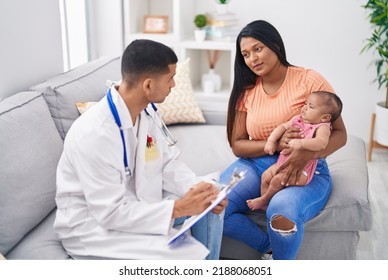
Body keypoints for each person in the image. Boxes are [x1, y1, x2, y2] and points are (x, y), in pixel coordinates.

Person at [53, 39, 227, 260]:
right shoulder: (95, 134)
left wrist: (200, 189)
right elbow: (110, 213)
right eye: (170, 78)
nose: (174, 84)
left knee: (208, 198)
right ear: (148, 85)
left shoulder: (146, 111)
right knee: (186, 256)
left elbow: (166, 164)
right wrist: (179, 208)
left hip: (136, 203)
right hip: (93, 226)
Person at [219, 20, 347, 260]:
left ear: (275, 45)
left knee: (281, 213)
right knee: (212, 207)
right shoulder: (246, 91)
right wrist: (275, 144)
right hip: (254, 164)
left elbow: (340, 134)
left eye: (258, 49)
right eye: (245, 54)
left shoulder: (309, 80)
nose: (252, 58)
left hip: (308, 168)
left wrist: (308, 153)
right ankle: (270, 247)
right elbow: (238, 144)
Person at [247, 91, 343, 211]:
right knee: (266, 176)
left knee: (277, 180)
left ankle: (264, 199)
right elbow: (282, 127)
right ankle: (266, 205)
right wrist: (271, 141)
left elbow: (321, 143)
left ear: (325, 117)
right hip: (282, 163)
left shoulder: (322, 127)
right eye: (305, 104)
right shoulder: (298, 119)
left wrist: (301, 143)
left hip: (302, 171)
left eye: (311, 107)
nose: (304, 108)